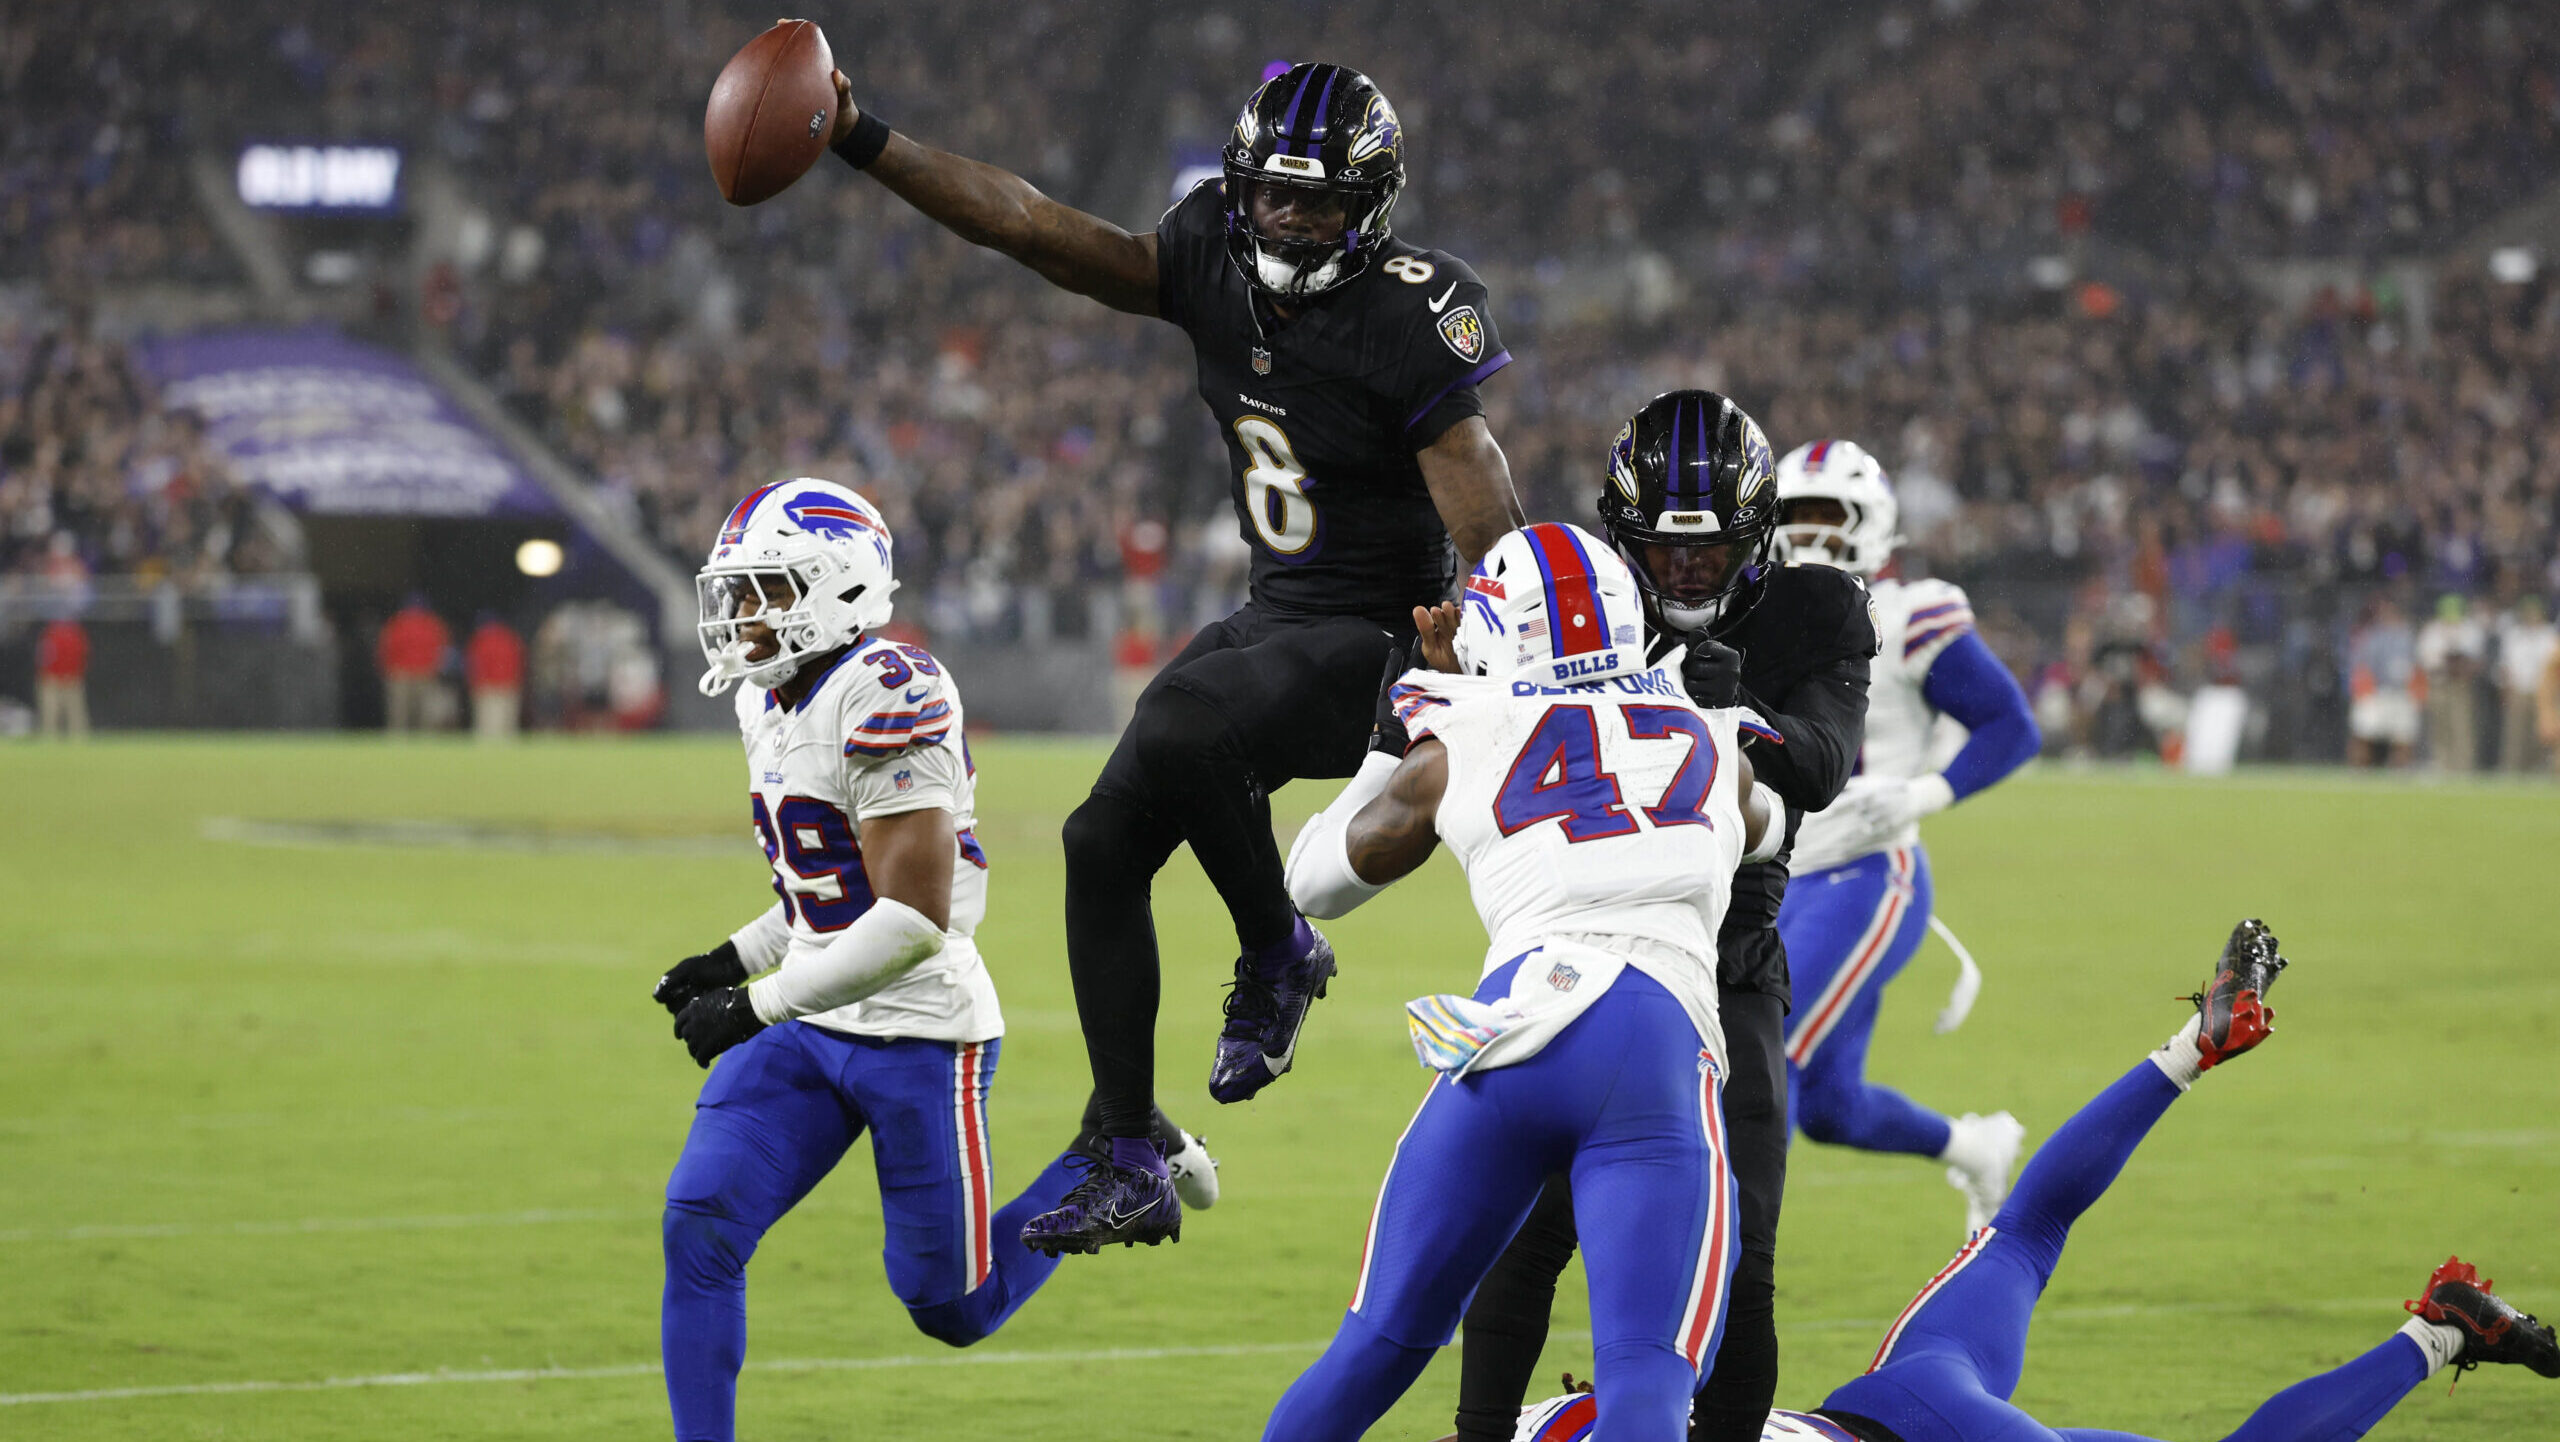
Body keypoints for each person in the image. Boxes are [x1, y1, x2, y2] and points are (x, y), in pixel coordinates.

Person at [821, 60, 1527, 1252]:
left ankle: (1278, 947)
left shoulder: (1415, 308)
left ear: (1372, 206)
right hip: (1275, 611)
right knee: (1098, 840)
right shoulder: (1205, 246)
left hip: (1384, 639)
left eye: (1319, 202)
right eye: (1272, 197)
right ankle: (1129, 1144)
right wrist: (862, 137)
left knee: (1191, 720)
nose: (1290, 221)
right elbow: (1033, 226)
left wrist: (1502, 642)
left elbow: (1487, 514)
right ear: (1239, 189)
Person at [1507, 921, 2560, 1442]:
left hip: (1912, 1423)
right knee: (2022, 1229)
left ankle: (2437, 1328)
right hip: (1890, 1393)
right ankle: (2442, 1322)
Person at [648, 479, 1217, 1442]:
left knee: (951, 1309)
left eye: (769, 590)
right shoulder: (772, 697)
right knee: (699, 1223)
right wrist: (732, 956)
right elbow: (825, 891)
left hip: (917, 1031)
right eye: (739, 592)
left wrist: (756, 1003)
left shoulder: (891, 688)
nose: (744, 615)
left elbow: (913, 918)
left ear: (836, 589)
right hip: (815, 1022)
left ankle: (1109, 1153)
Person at [1268, 521, 1781, 1442]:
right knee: (1645, 1385)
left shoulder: (1456, 736)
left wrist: (1397, 729)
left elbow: (1312, 883)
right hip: (1652, 1052)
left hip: (1507, 1040)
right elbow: (1770, 823)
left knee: (1371, 1352)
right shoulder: (1715, 737)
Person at [1454, 392, 1878, 1441]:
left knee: (1744, 1242)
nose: (1686, 570)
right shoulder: (1581, 601)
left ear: (1758, 531)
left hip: (1726, 961)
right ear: (1619, 531)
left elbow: (1820, 765)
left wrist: (1735, 716)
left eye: (1711, 548)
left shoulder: (1817, 609)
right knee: (1518, 1228)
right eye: (1662, 548)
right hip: (1578, 955)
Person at [1767, 438, 2041, 1232]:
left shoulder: (1910, 612)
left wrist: (1922, 792)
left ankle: (1730, 1267)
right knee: (1831, 1108)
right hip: (1774, 873)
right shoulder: (1754, 609)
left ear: (1873, 523)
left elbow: (2009, 725)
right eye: (1799, 516)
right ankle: (1976, 1148)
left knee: (1761, 1051)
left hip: (1862, 872)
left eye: (1832, 515)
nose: (1814, 534)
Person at [2413, 593, 2484, 772]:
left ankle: (2463, 768)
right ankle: (2442, 765)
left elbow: (2475, 660)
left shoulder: (2469, 629)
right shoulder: (2432, 630)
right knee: (2440, 728)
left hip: (2460, 685)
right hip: (2438, 683)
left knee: (2462, 727)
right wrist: (2447, 662)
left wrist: (2458, 664)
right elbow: (2426, 660)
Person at [2345, 597, 2417, 769]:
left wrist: (2415, 691)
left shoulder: (2408, 636)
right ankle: (2358, 770)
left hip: (2401, 691)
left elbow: (2417, 665)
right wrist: (2362, 689)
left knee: (2403, 735)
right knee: (2364, 731)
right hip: (2376, 690)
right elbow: (2360, 665)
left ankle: (2401, 772)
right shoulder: (2372, 636)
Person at [2493, 595, 2554, 772]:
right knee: (2515, 732)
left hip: (2542, 691)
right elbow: (2505, 664)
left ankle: (2538, 768)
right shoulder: (2515, 635)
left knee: (2541, 732)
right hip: (2519, 689)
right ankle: (2512, 767)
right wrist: (2506, 687)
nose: (2531, 616)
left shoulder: (2549, 635)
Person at [377, 595, 450, 735]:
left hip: (401, 672)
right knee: (422, 709)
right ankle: (424, 737)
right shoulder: (431, 624)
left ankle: (398, 737)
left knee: (400, 710)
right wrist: (437, 667)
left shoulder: (397, 623)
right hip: (422, 671)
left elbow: (386, 648)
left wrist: (387, 669)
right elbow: (442, 649)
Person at [465, 613, 525, 741]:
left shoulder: (481, 640)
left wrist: (475, 685)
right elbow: (518, 663)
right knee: (506, 725)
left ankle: (487, 754)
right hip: (506, 685)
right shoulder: (510, 639)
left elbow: (474, 665)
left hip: (488, 687)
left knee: (487, 726)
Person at [34, 614, 89, 739]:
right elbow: (44, 658)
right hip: (52, 680)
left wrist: (74, 674)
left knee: (75, 713)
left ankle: (79, 740)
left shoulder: (76, 635)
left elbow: (82, 657)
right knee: (50, 713)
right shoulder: (50, 635)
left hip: (71, 679)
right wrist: (47, 675)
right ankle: (49, 739)